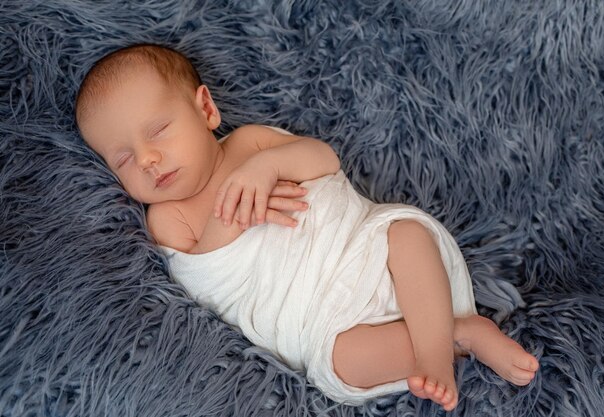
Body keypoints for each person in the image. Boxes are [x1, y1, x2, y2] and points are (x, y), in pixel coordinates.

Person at [75, 44, 539, 411]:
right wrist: (229, 213)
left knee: (407, 234)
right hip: (318, 319)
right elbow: (206, 285)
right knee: (344, 364)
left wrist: (269, 165)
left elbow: (324, 161)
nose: (147, 159)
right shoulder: (168, 216)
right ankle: (461, 335)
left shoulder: (249, 142)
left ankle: (435, 346)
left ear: (206, 111)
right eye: (123, 159)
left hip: (359, 250)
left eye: (157, 130)